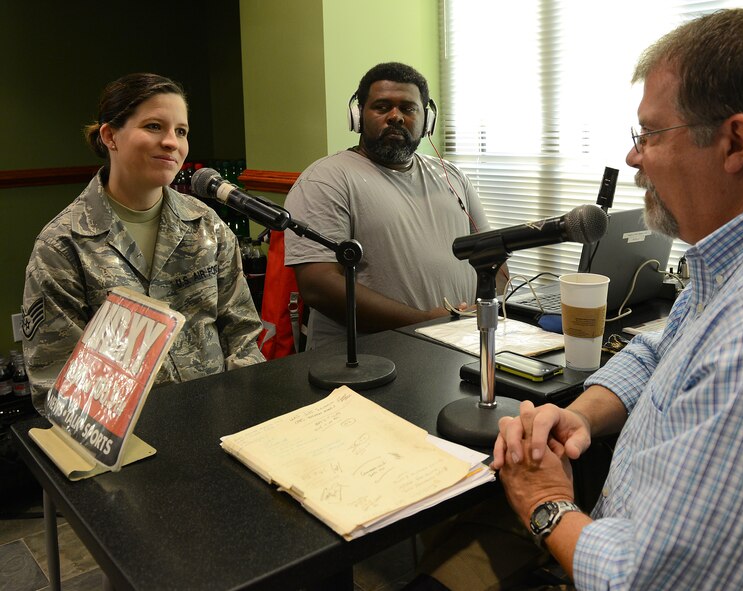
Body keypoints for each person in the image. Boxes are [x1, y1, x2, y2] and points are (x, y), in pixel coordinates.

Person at [487, 8, 743, 590]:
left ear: (736, 141)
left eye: (650, 134)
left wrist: (544, 502)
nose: (634, 157)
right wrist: (579, 414)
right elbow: (659, 353)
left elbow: (651, 583)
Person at [22, 73, 264, 414]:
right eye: (153, 126)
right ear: (110, 136)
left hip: (217, 422)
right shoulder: (63, 244)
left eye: (181, 131)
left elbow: (242, 335)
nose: (171, 142)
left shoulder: (206, 225)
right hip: (125, 446)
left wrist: (242, 414)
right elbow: (56, 380)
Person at [284, 62, 506, 350]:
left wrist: (481, 311)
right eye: (382, 106)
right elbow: (318, 285)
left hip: (453, 348)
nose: (396, 117)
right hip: (362, 362)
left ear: (426, 120)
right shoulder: (325, 180)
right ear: (358, 116)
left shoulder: (452, 176)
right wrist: (422, 323)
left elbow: (493, 259)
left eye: (408, 108)